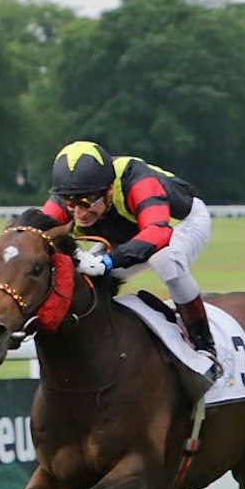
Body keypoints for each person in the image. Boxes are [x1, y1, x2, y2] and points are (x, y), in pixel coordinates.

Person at [18, 141, 221, 378]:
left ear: (110, 191)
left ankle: (205, 346)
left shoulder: (137, 180)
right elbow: (36, 237)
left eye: (87, 202)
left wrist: (107, 262)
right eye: (71, 203)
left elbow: (159, 233)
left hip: (179, 224)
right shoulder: (68, 197)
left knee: (166, 260)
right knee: (82, 279)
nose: (79, 213)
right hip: (129, 234)